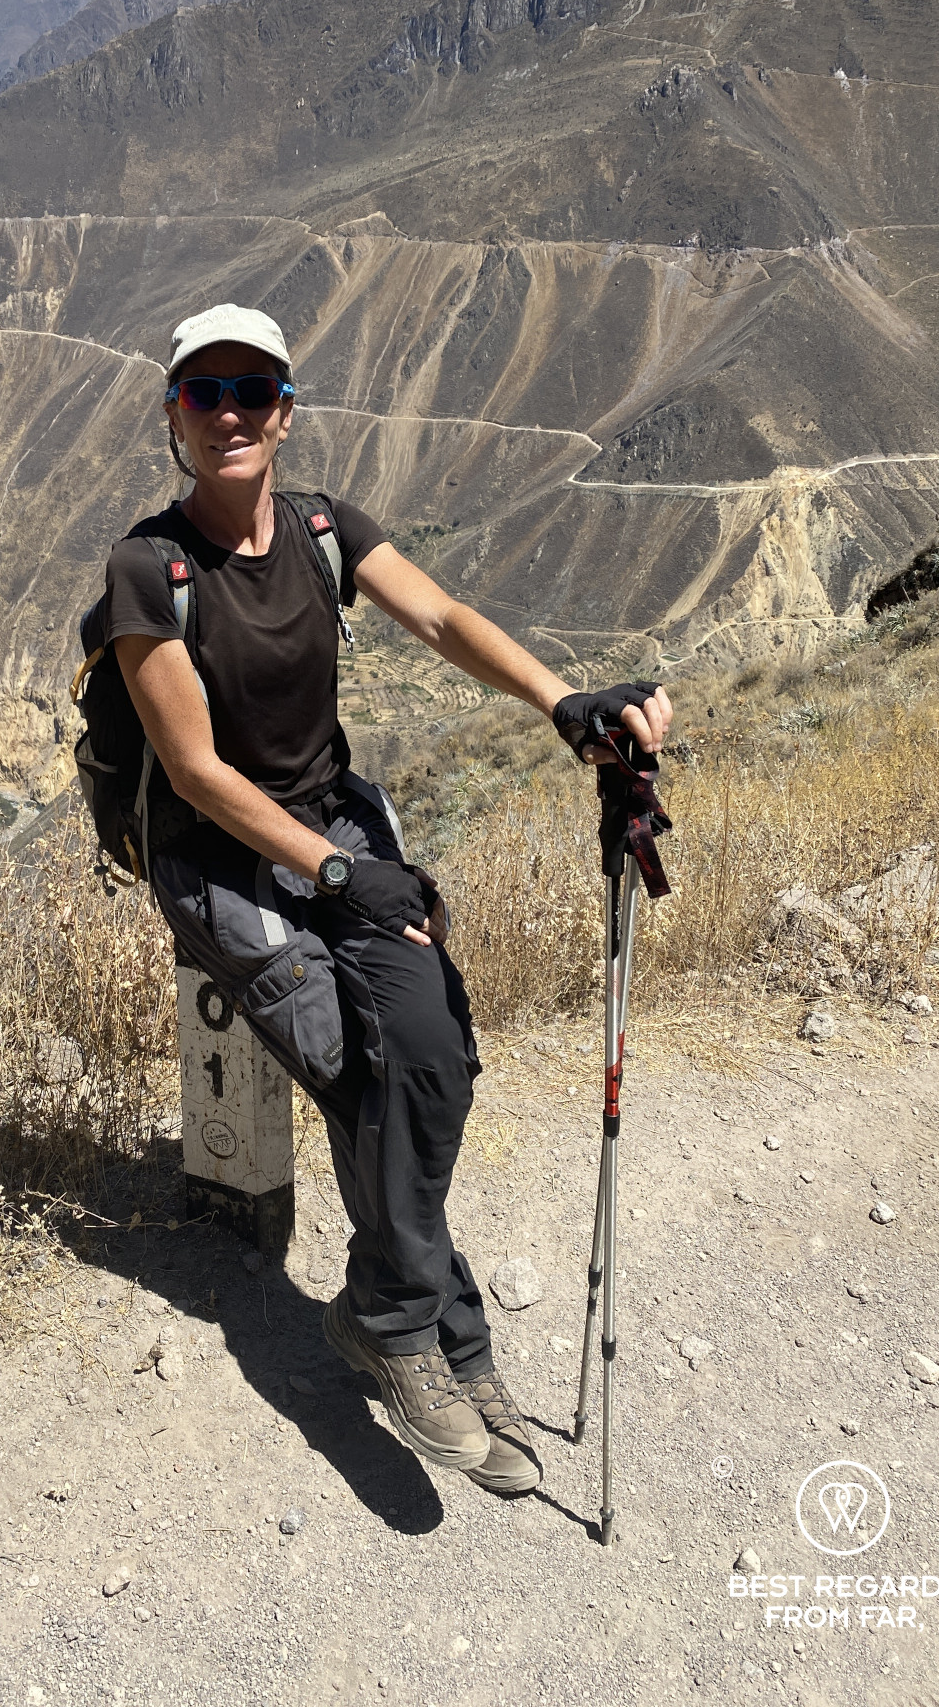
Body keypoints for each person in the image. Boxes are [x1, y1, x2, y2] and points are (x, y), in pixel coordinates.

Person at [102, 303, 672, 1494]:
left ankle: (386, 1309)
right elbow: (198, 774)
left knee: (433, 1056)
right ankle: (442, 1341)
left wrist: (564, 706)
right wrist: (338, 875)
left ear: (287, 411)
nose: (231, 415)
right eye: (204, 395)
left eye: (252, 391)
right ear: (174, 419)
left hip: (339, 835)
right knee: (359, 1074)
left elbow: (443, 616)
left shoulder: (323, 529)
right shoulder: (149, 571)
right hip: (221, 861)